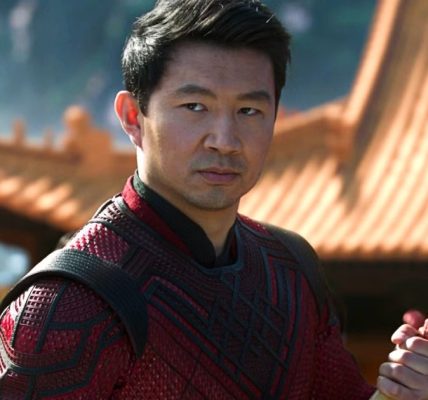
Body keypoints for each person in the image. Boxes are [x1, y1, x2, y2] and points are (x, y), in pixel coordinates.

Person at [0, 0, 427, 398]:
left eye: (248, 111)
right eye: (195, 106)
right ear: (133, 117)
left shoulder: (292, 272)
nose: (225, 140)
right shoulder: (65, 305)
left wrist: (406, 390)